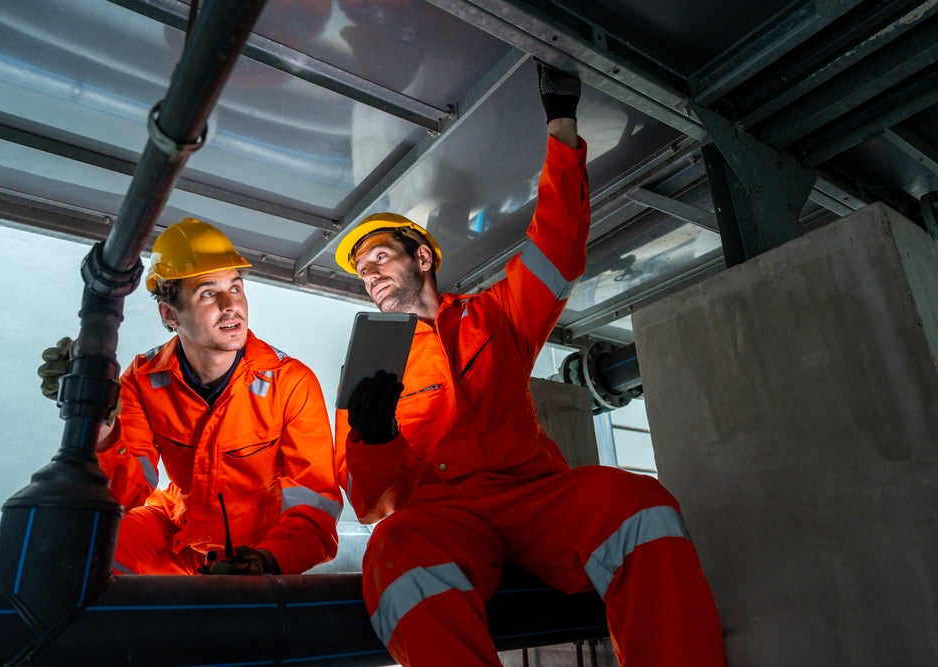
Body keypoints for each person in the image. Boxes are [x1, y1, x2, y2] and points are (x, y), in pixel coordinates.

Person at [332, 62, 727, 666]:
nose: (371, 276)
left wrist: (562, 123)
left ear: (422, 257)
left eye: (380, 258)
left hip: (534, 497)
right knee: (395, 550)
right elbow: (369, 501)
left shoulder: (495, 315)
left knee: (640, 507)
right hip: (442, 516)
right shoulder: (369, 364)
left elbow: (557, 248)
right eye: (363, 272)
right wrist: (375, 437)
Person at [39, 218, 342, 576]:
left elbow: (314, 505)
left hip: (259, 544)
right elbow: (124, 491)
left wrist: (266, 561)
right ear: (169, 314)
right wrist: (99, 423)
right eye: (208, 293)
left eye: (236, 287)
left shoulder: (290, 382)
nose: (232, 305)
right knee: (85, 554)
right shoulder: (143, 379)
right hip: (177, 530)